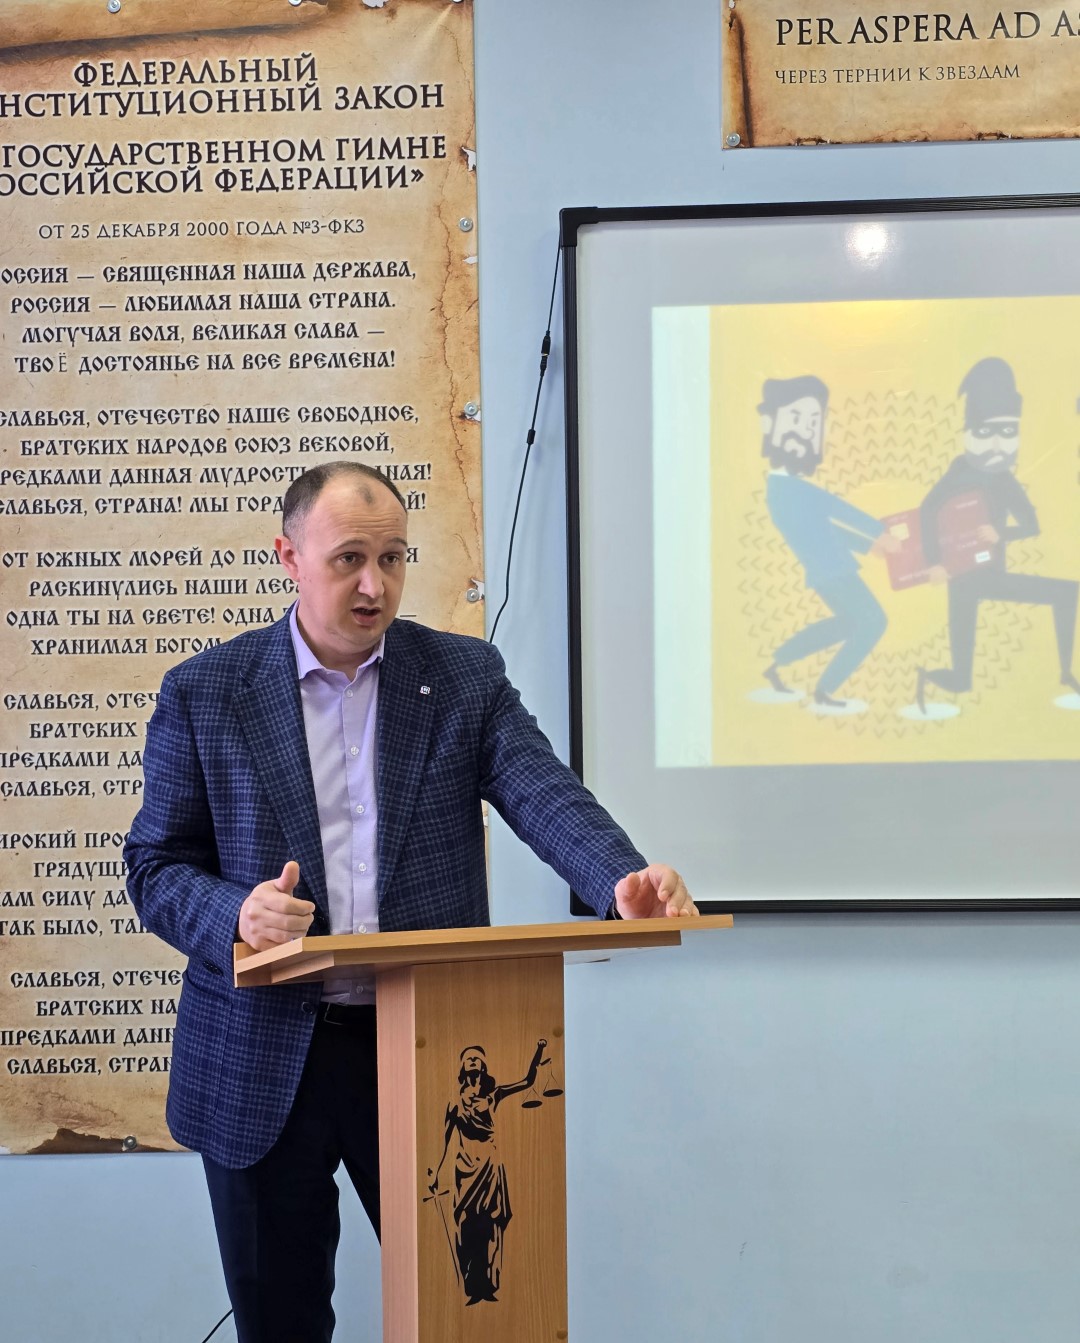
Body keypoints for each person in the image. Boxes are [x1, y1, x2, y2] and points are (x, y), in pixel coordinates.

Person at [124, 461, 696, 1343]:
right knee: (280, 1324)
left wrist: (619, 879)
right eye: (349, 559)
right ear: (289, 557)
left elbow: (543, 792)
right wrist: (236, 914)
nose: (375, 584)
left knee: (471, 1313)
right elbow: (156, 866)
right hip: (261, 1052)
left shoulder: (462, 675)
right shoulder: (207, 691)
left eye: (393, 558)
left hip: (427, 1042)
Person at [916, 357, 1080, 713]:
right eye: (985, 433)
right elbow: (926, 513)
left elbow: (1031, 525)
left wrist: (1000, 532)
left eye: (1007, 433)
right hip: (959, 576)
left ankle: (1067, 671)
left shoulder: (1004, 479)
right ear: (968, 433)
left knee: (1068, 592)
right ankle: (942, 678)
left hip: (991, 572)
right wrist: (934, 563)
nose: (996, 445)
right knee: (962, 675)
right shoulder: (958, 472)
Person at [758, 376, 899, 709]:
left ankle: (778, 664)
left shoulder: (784, 491)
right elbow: (839, 510)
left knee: (850, 623)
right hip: (833, 571)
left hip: (826, 571)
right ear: (769, 425)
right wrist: (880, 532)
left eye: (813, 424)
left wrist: (869, 546)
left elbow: (823, 529)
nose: (807, 432)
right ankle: (824, 690)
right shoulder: (792, 490)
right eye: (796, 419)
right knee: (874, 622)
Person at [427, 1041, 548, 1306]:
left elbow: (527, 1082)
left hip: (491, 1167)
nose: (472, 1060)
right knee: (466, 1224)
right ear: (462, 1067)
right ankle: (471, 1287)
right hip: (465, 1168)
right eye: (468, 1058)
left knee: (491, 1224)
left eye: (477, 1058)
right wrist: (436, 1174)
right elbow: (446, 1140)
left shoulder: (493, 1096)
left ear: (483, 1066)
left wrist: (538, 1051)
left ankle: (488, 1286)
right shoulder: (454, 1102)